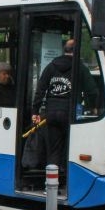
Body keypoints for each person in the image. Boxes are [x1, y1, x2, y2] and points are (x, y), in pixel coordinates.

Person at [31, 39, 97, 171]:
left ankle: (51, 184)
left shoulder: (51, 66)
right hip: (70, 114)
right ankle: (65, 181)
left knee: (54, 150)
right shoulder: (80, 68)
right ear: (77, 51)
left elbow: (40, 90)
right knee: (70, 148)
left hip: (51, 113)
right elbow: (92, 91)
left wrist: (35, 111)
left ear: (64, 50)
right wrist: (92, 106)